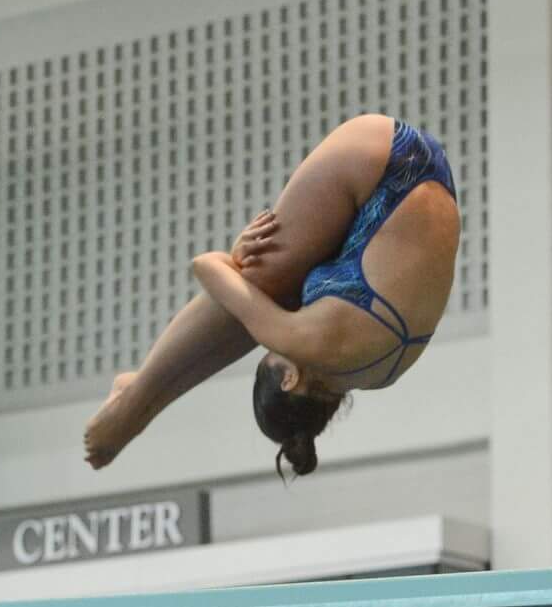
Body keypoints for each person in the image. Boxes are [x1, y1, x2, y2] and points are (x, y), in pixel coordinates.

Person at [83, 113, 460, 478]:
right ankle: (136, 402)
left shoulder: (377, 377)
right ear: (289, 379)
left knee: (267, 293)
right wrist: (235, 256)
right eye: (269, 351)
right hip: (382, 163)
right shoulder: (309, 342)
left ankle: (145, 399)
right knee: (260, 284)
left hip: (433, 180)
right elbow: (206, 267)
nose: (269, 343)